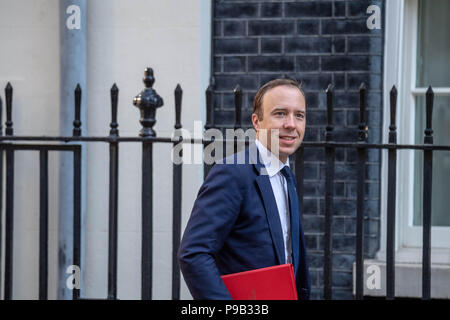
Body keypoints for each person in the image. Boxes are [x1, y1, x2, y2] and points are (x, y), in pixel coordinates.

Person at [178, 78, 310, 300]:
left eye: (299, 115)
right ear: (257, 122)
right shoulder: (232, 173)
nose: (291, 124)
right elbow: (193, 254)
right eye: (280, 113)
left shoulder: (286, 175)